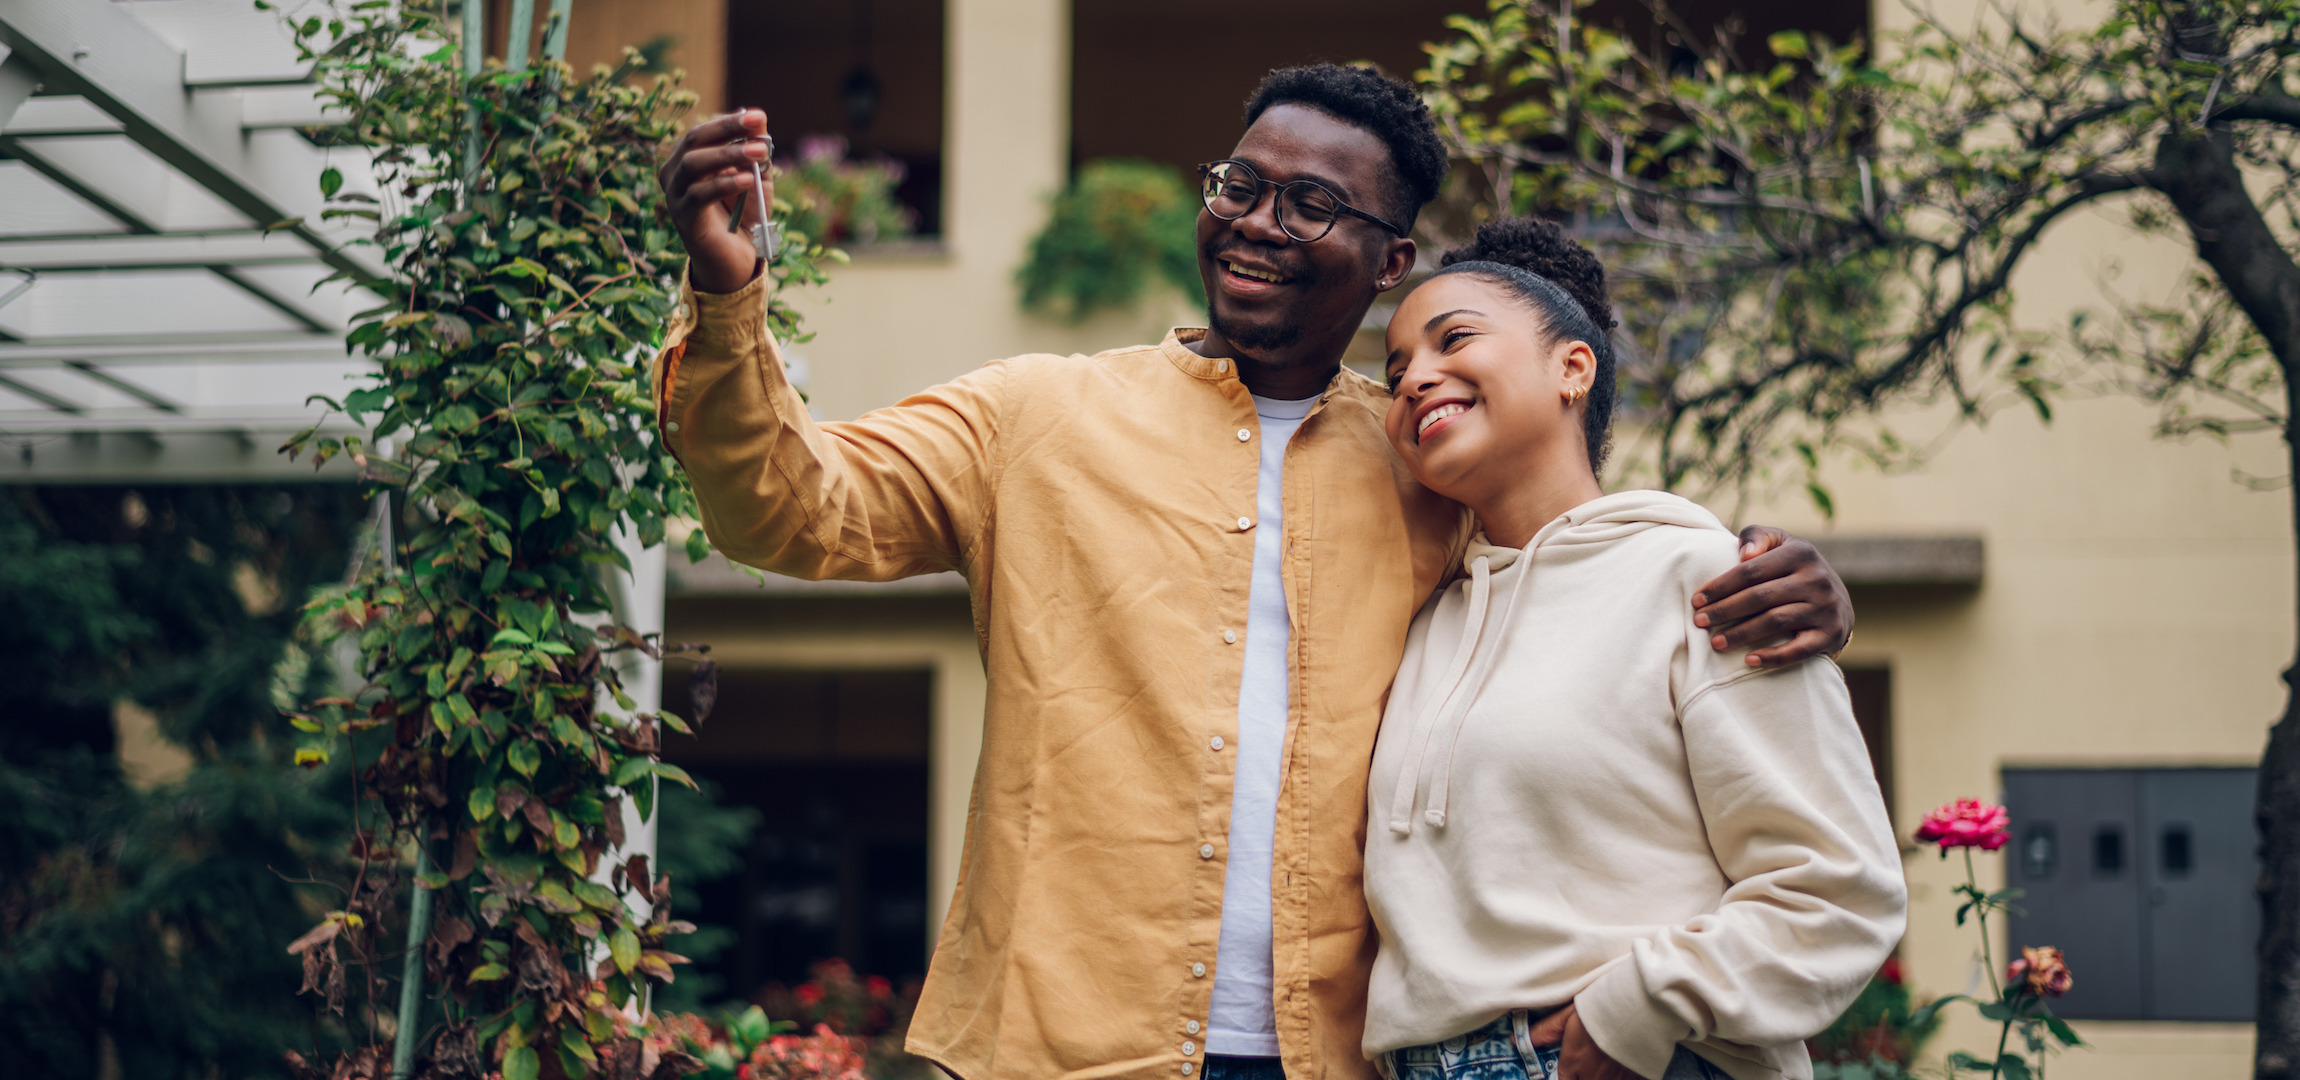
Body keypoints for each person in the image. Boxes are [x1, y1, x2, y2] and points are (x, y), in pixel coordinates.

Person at [650, 64, 1857, 1080]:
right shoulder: (1033, 417)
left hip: (1336, 1055)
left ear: (1388, 262)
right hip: (1058, 1048)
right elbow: (787, 512)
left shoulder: (1427, 463)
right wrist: (725, 295)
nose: (1256, 221)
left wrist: (1779, 581)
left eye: (1310, 203)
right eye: (1238, 186)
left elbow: (1582, 585)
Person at [1362, 219, 1906, 1080]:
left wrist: (1635, 1011)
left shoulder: (1702, 579)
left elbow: (1836, 885)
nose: (1415, 377)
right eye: (1394, 374)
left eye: (1453, 339)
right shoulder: (1423, 622)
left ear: (1573, 368)